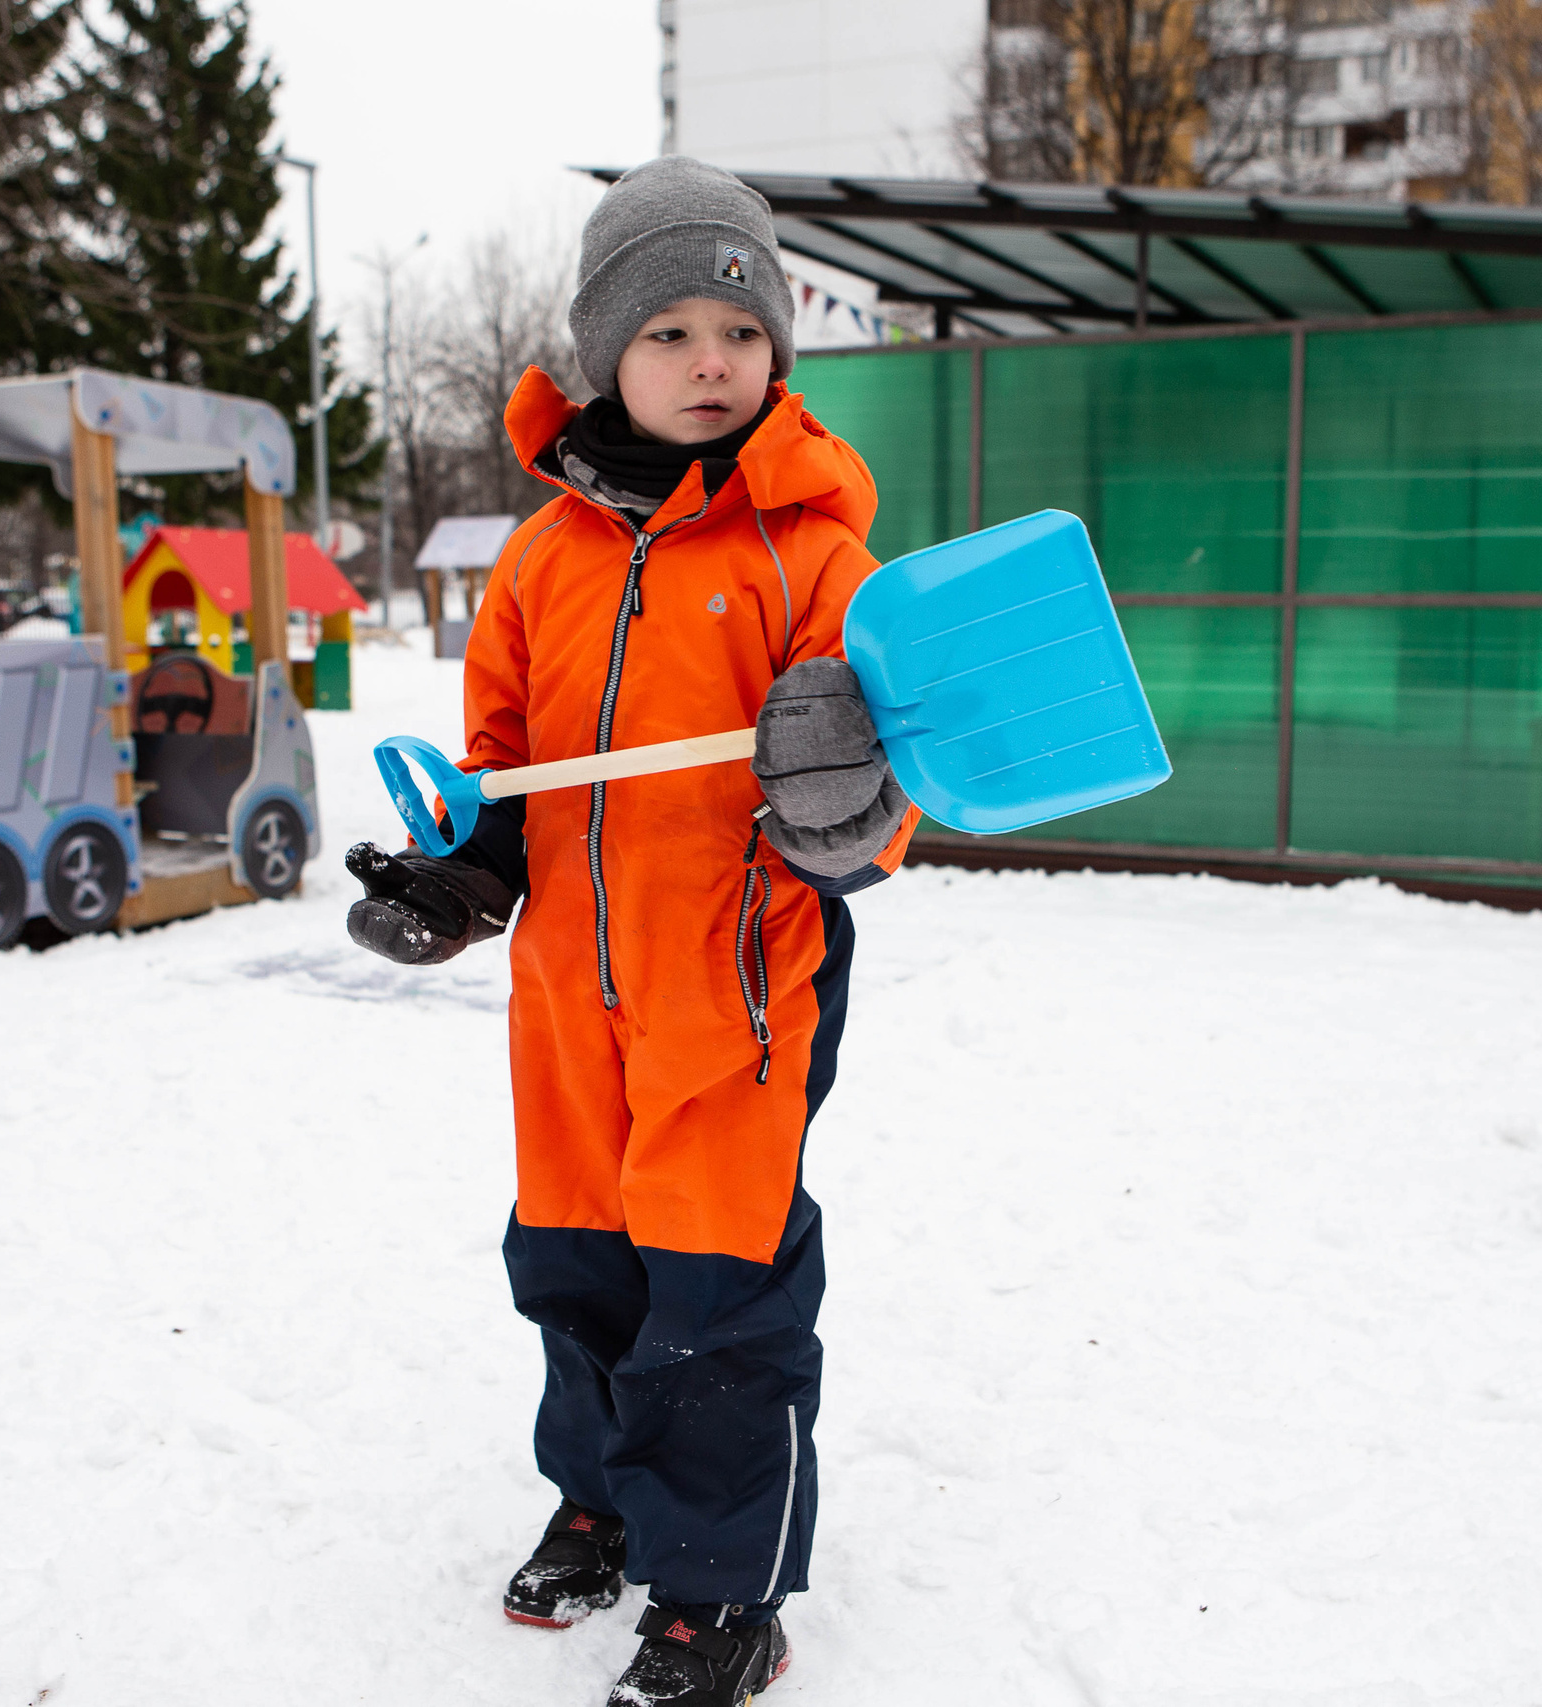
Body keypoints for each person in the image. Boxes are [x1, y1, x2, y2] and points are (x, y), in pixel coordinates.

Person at [345, 157, 915, 1706]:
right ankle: (602, 1496)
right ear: (607, 356)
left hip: (734, 985)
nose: (707, 359)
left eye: (734, 327)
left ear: (776, 348)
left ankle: (724, 1591)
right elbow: (504, 778)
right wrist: (454, 881)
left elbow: (876, 808)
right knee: (578, 1269)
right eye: (664, 332)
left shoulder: (815, 557)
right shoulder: (540, 562)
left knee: (717, 1288)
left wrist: (844, 793)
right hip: (567, 1005)